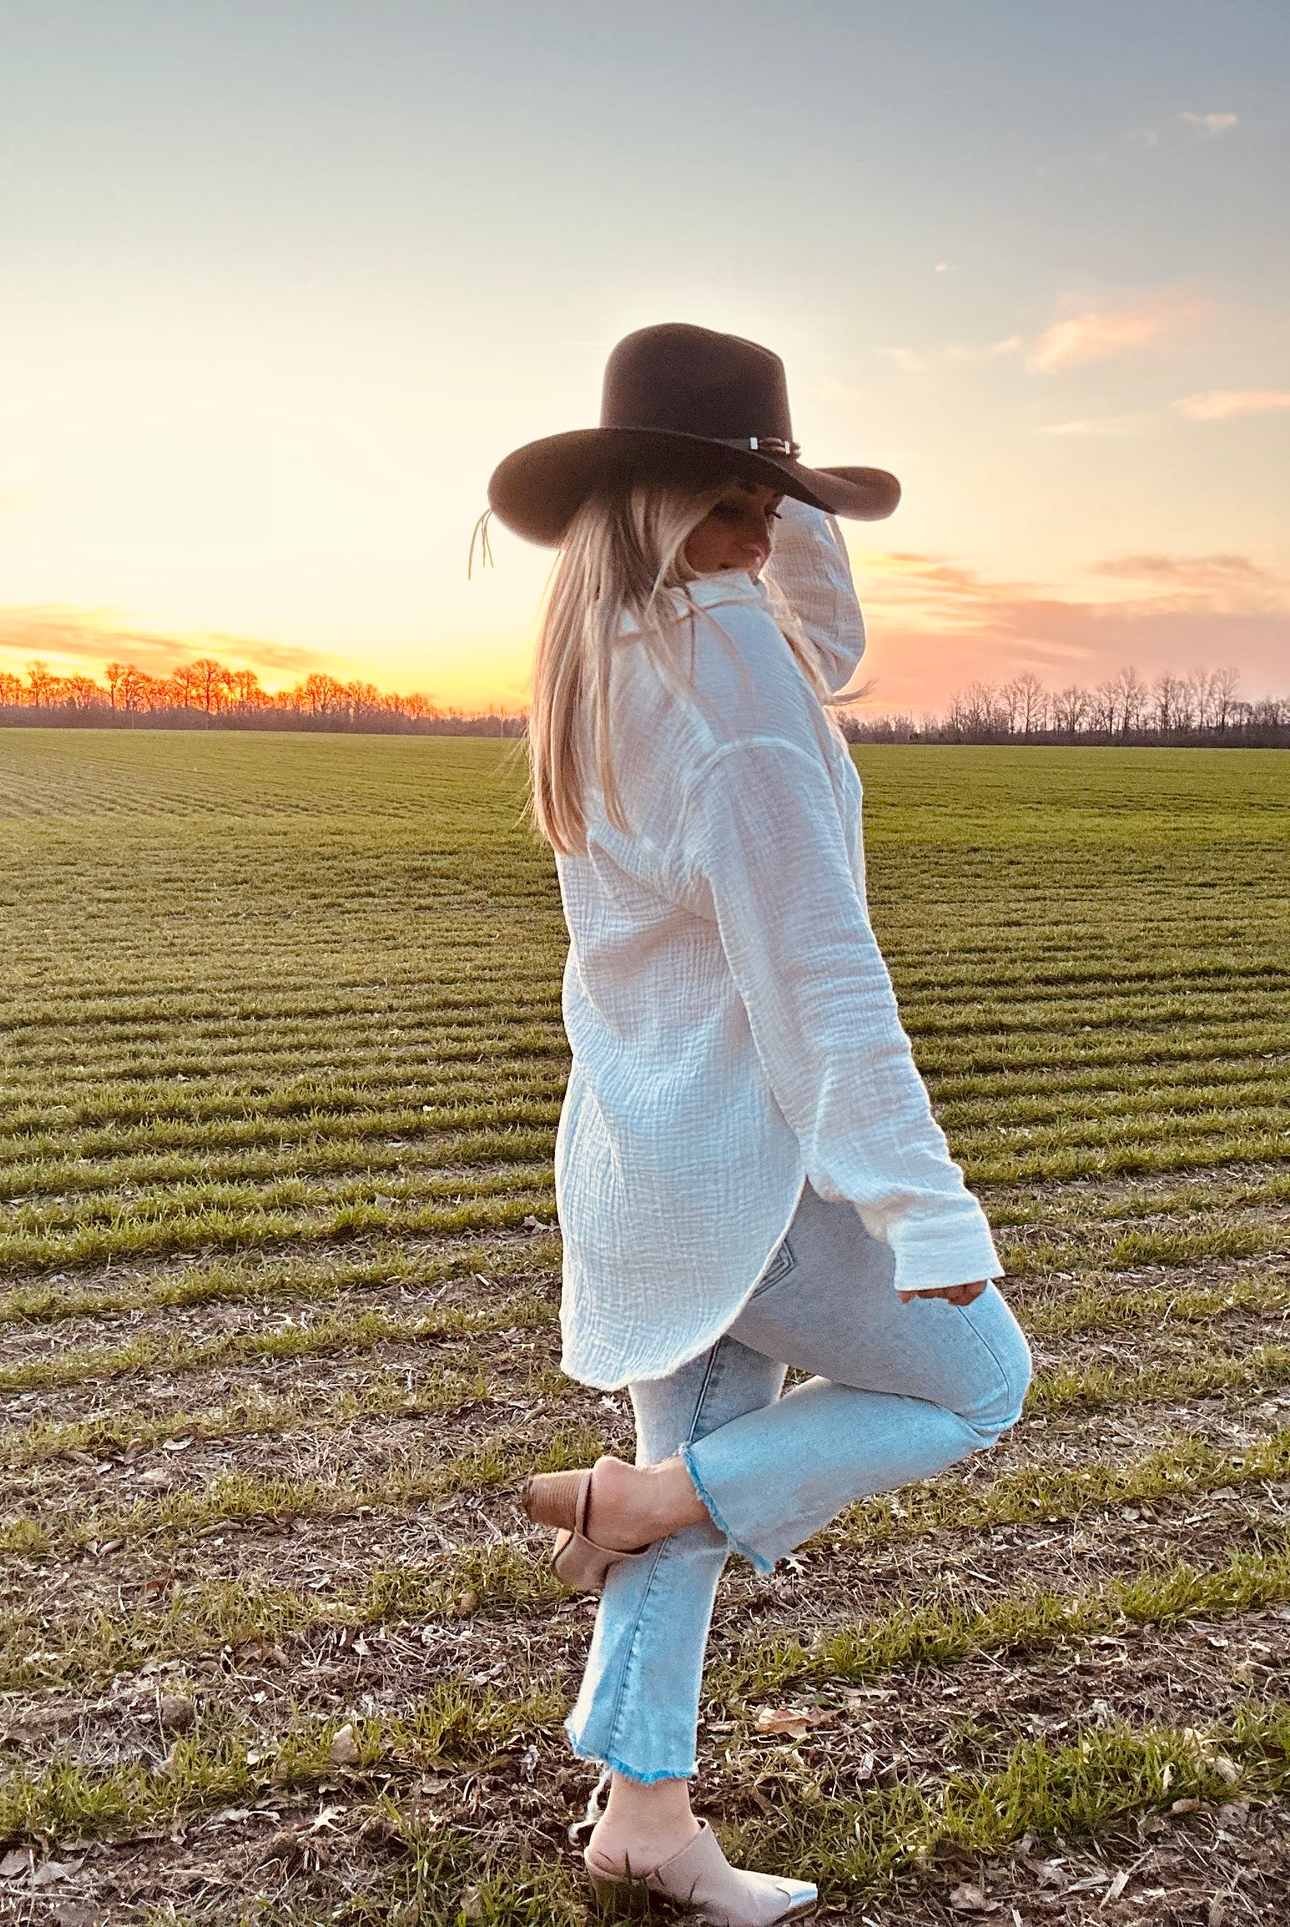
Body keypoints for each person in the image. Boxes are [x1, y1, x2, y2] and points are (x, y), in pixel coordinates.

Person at [484, 323, 1033, 1926]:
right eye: (740, 501)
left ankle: (642, 1819)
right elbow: (815, 972)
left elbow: (828, 638)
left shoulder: (622, 646)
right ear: (664, 505)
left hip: (647, 1141)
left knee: (703, 1452)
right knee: (981, 1384)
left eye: (775, 501)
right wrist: (919, 1206)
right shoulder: (730, 696)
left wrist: (787, 492)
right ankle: (648, 1502)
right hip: (754, 1158)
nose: (766, 534)